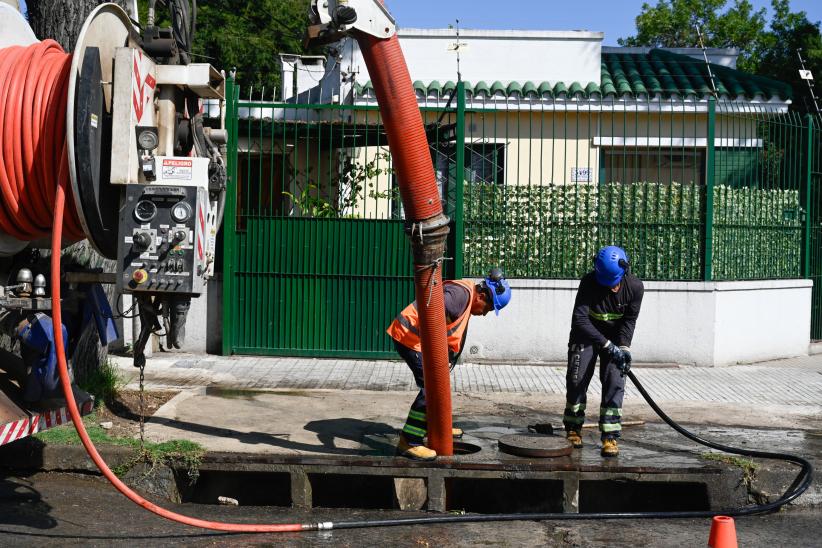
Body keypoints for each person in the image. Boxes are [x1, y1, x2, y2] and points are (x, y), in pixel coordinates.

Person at [387, 268, 512, 460]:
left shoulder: (466, 296)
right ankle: (409, 441)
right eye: (487, 308)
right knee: (432, 389)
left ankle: (436, 427)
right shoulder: (460, 296)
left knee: (437, 386)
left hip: (418, 341)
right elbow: (434, 312)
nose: (485, 314)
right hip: (410, 339)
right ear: (483, 295)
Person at [563, 246, 644, 457]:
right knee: (576, 379)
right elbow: (580, 319)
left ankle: (610, 436)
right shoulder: (589, 282)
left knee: (615, 382)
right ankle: (573, 428)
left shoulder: (635, 287)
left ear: (624, 272)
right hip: (586, 335)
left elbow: (629, 320)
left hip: (616, 339)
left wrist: (624, 347)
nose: (611, 288)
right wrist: (606, 344)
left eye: (614, 283)